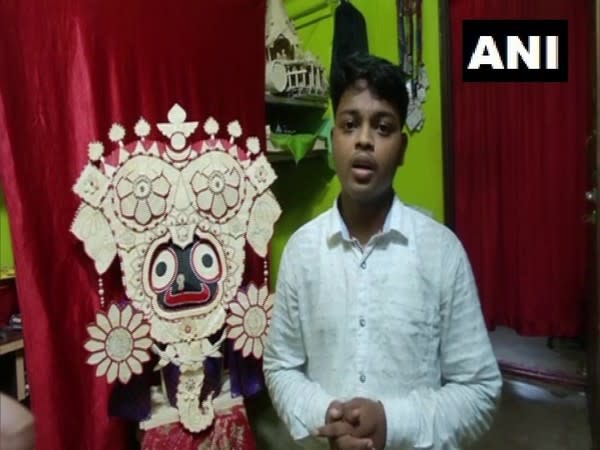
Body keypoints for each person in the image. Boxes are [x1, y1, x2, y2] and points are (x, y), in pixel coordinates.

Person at [262, 53, 502, 450]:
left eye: (383, 127)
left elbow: (479, 390)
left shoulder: (441, 253)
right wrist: (330, 419)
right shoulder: (302, 252)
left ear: (403, 148)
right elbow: (281, 367)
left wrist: (390, 422)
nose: (364, 140)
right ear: (331, 137)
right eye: (350, 124)